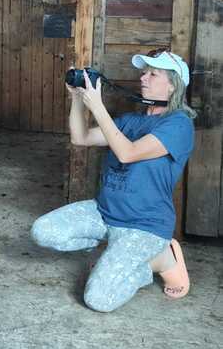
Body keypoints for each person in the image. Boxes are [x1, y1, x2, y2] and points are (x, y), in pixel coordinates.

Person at [31, 51, 196, 312]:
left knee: (99, 299)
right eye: (144, 72)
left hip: (144, 225)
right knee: (42, 231)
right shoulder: (132, 121)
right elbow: (81, 138)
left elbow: (127, 153)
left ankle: (162, 260)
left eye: (153, 74)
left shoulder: (179, 125)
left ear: (173, 85)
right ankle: (114, 253)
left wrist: (97, 106)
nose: (144, 78)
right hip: (104, 213)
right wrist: (77, 99)